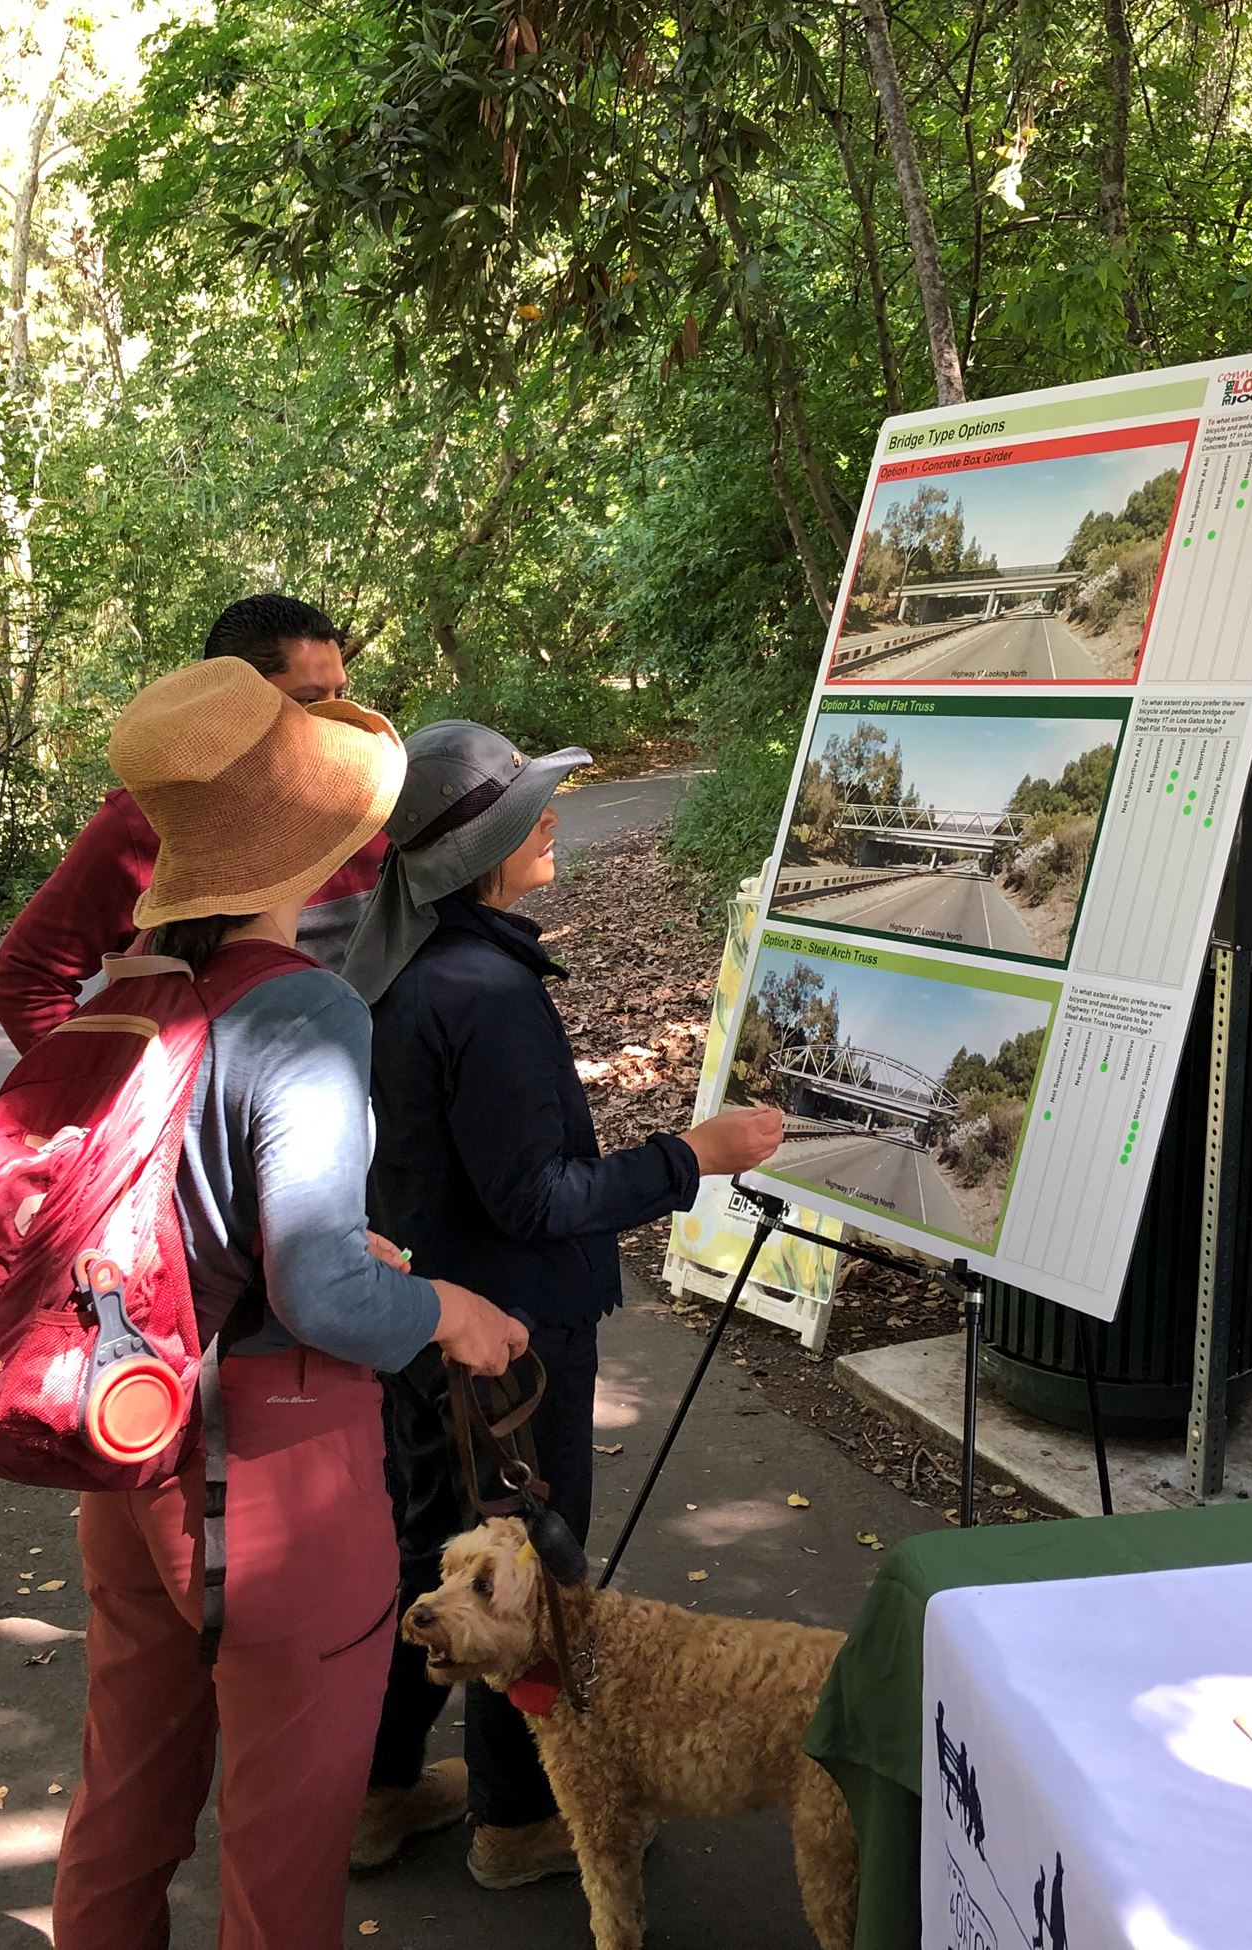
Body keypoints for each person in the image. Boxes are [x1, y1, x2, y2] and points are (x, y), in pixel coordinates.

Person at [52, 664, 532, 1950]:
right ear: (309, 843)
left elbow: (180, 1207)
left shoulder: (133, 990)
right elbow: (319, 1290)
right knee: (283, 1841)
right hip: (265, 1470)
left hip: (129, 1429)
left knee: (125, 1792)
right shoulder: (303, 1007)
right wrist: (444, 1308)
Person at [342, 720, 783, 1888]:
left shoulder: (404, 964)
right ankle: (518, 1820)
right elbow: (537, 1199)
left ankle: (376, 1794)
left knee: (429, 1558)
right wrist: (694, 1155)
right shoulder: (482, 988)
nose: (549, 820)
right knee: (520, 1566)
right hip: (507, 1342)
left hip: (424, 1321)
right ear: (473, 848)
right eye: (523, 811)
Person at [0, 593, 384, 1052]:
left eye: (341, 694)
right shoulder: (147, 823)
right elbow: (25, 980)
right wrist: (113, 1082)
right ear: (230, 708)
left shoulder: (372, 793)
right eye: (309, 700)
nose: (338, 719)